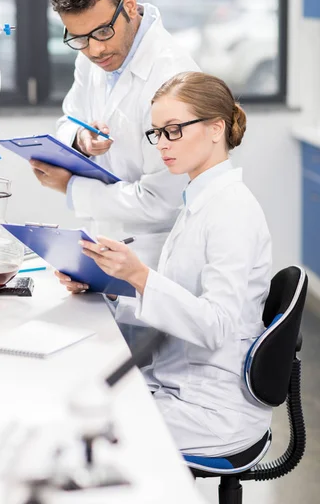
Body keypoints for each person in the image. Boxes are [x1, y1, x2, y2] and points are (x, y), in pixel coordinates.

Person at [59, 71, 273, 456]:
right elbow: (178, 305)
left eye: (173, 130)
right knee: (74, 403)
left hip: (213, 407)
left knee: (80, 431)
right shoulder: (198, 201)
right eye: (156, 132)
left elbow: (215, 327)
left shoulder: (233, 211)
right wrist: (105, 285)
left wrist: (139, 276)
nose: (161, 144)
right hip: (178, 383)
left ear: (215, 129)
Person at [30, 0, 199, 299]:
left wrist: (71, 187)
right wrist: (80, 139)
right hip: (105, 253)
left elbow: (159, 203)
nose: (95, 49)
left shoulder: (173, 78)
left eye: (103, 32)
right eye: (79, 39)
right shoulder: (92, 53)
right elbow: (69, 118)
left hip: (158, 265)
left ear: (130, 6)